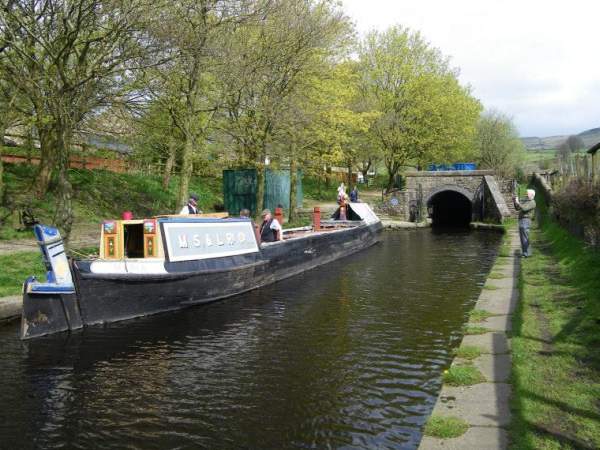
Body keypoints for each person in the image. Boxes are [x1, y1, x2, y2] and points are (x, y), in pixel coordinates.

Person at [514, 189, 536, 257]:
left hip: (526, 220)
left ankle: (527, 253)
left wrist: (518, 202)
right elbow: (517, 208)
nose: (526, 195)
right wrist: (515, 201)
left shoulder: (532, 202)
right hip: (522, 220)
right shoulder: (526, 201)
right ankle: (525, 252)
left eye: (527, 194)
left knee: (524, 237)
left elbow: (524, 209)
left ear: (532, 195)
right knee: (522, 237)